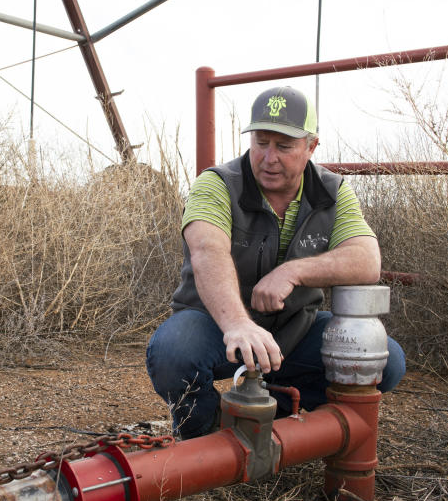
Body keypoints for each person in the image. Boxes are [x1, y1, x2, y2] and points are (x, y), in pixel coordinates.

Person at [146, 85, 405, 439]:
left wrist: (293, 271)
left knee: (385, 360)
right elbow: (207, 251)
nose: (269, 158)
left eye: (284, 146)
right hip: (218, 329)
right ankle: (205, 435)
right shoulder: (217, 184)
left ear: (311, 146)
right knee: (174, 351)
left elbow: (366, 259)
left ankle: (273, 424)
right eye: (261, 142)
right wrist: (238, 323)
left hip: (294, 333)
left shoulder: (332, 191)